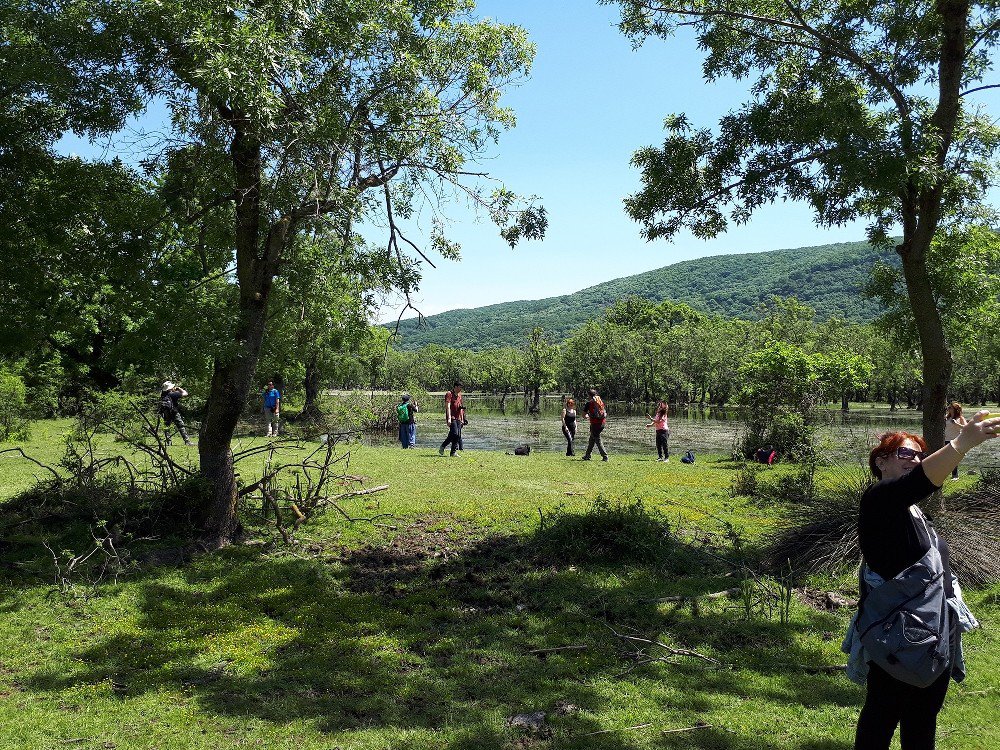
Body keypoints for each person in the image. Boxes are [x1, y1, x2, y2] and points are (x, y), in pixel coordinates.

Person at [845, 412, 999, 750]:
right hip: (897, 635)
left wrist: (951, 441)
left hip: (934, 634)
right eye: (905, 453)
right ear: (881, 461)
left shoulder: (915, 512)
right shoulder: (879, 500)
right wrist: (961, 443)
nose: (914, 459)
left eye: (919, 454)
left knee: (923, 720)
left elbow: (929, 478)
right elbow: (922, 481)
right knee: (881, 717)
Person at [159, 381, 193, 446]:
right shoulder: (173, 394)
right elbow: (185, 393)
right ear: (170, 388)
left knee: (166, 427)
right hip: (174, 412)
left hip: (166, 413)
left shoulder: (163, 394)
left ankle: (169, 442)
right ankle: (187, 441)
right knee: (181, 426)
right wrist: (179, 388)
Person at [438, 381, 465, 456]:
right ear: (455, 387)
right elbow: (448, 406)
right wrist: (449, 418)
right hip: (452, 417)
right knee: (455, 433)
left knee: (457, 435)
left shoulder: (459, 395)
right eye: (460, 387)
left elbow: (460, 407)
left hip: (458, 417)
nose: (461, 389)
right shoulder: (449, 394)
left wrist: (462, 418)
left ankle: (453, 452)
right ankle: (443, 446)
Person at [581, 387, 608, 461]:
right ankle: (587, 455)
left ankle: (605, 456)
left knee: (597, 440)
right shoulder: (600, 401)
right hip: (602, 423)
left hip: (595, 424)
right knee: (592, 439)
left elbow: (583, 415)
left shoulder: (589, 403)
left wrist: (587, 416)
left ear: (589, 395)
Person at [943, 402, 967, 480]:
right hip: (945, 440)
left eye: (950, 407)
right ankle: (944, 474)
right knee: (946, 458)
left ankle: (955, 475)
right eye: (948, 407)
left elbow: (966, 428)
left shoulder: (960, 418)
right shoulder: (947, 417)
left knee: (953, 458)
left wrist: (957, 424)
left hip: (955, 440)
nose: (948, 409)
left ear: (955, 409)